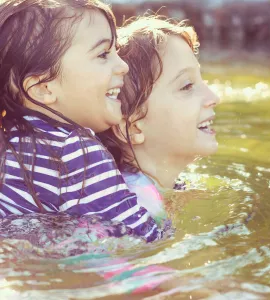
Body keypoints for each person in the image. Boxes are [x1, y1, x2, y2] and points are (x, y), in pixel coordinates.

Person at [0, 0, 164, 242]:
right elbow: (141, 238)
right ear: (43, 88)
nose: (123, 65)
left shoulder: (10, 143)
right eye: (103, 54)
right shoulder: (75, 150)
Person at [100, 16, 220, 220]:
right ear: (133, 128)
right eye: (187, 86)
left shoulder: (152, 190)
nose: (214, 98)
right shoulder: (135, 207)